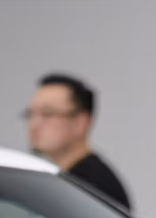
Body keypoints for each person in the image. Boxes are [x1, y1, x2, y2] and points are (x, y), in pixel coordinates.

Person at [24, 73, 131, 210]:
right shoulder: (65, 181)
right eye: (30, 114)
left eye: (47, 114)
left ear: (80, 122)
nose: (33, 125)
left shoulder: (93, 187)